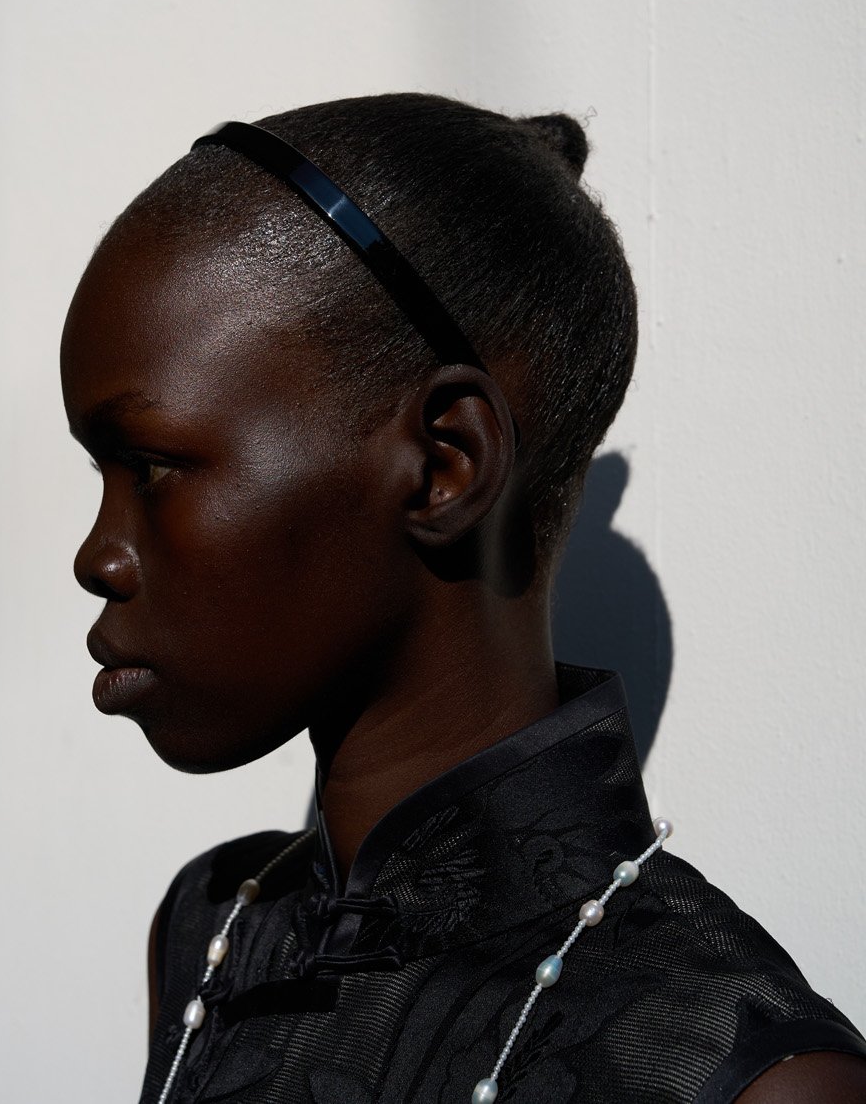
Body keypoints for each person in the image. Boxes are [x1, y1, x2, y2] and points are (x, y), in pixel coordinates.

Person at [60, 93, 866, 1104]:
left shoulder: (740, 1073)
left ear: (444, 464)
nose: (97, 556)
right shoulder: (215, 936)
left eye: (152, 467)